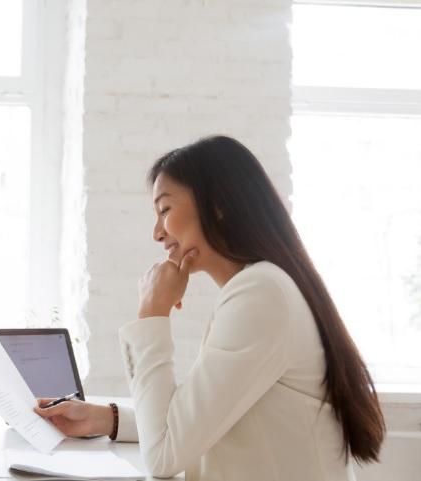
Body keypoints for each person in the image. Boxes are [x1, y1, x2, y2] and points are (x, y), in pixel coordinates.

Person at [34, 136, 385, 480]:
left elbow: (164, 457)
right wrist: (105, 419)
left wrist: (153, 313)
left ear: (217, 204)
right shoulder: (262, 286)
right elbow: (197, 423)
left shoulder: (261, 293)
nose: (157, 232)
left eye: (165, 209)